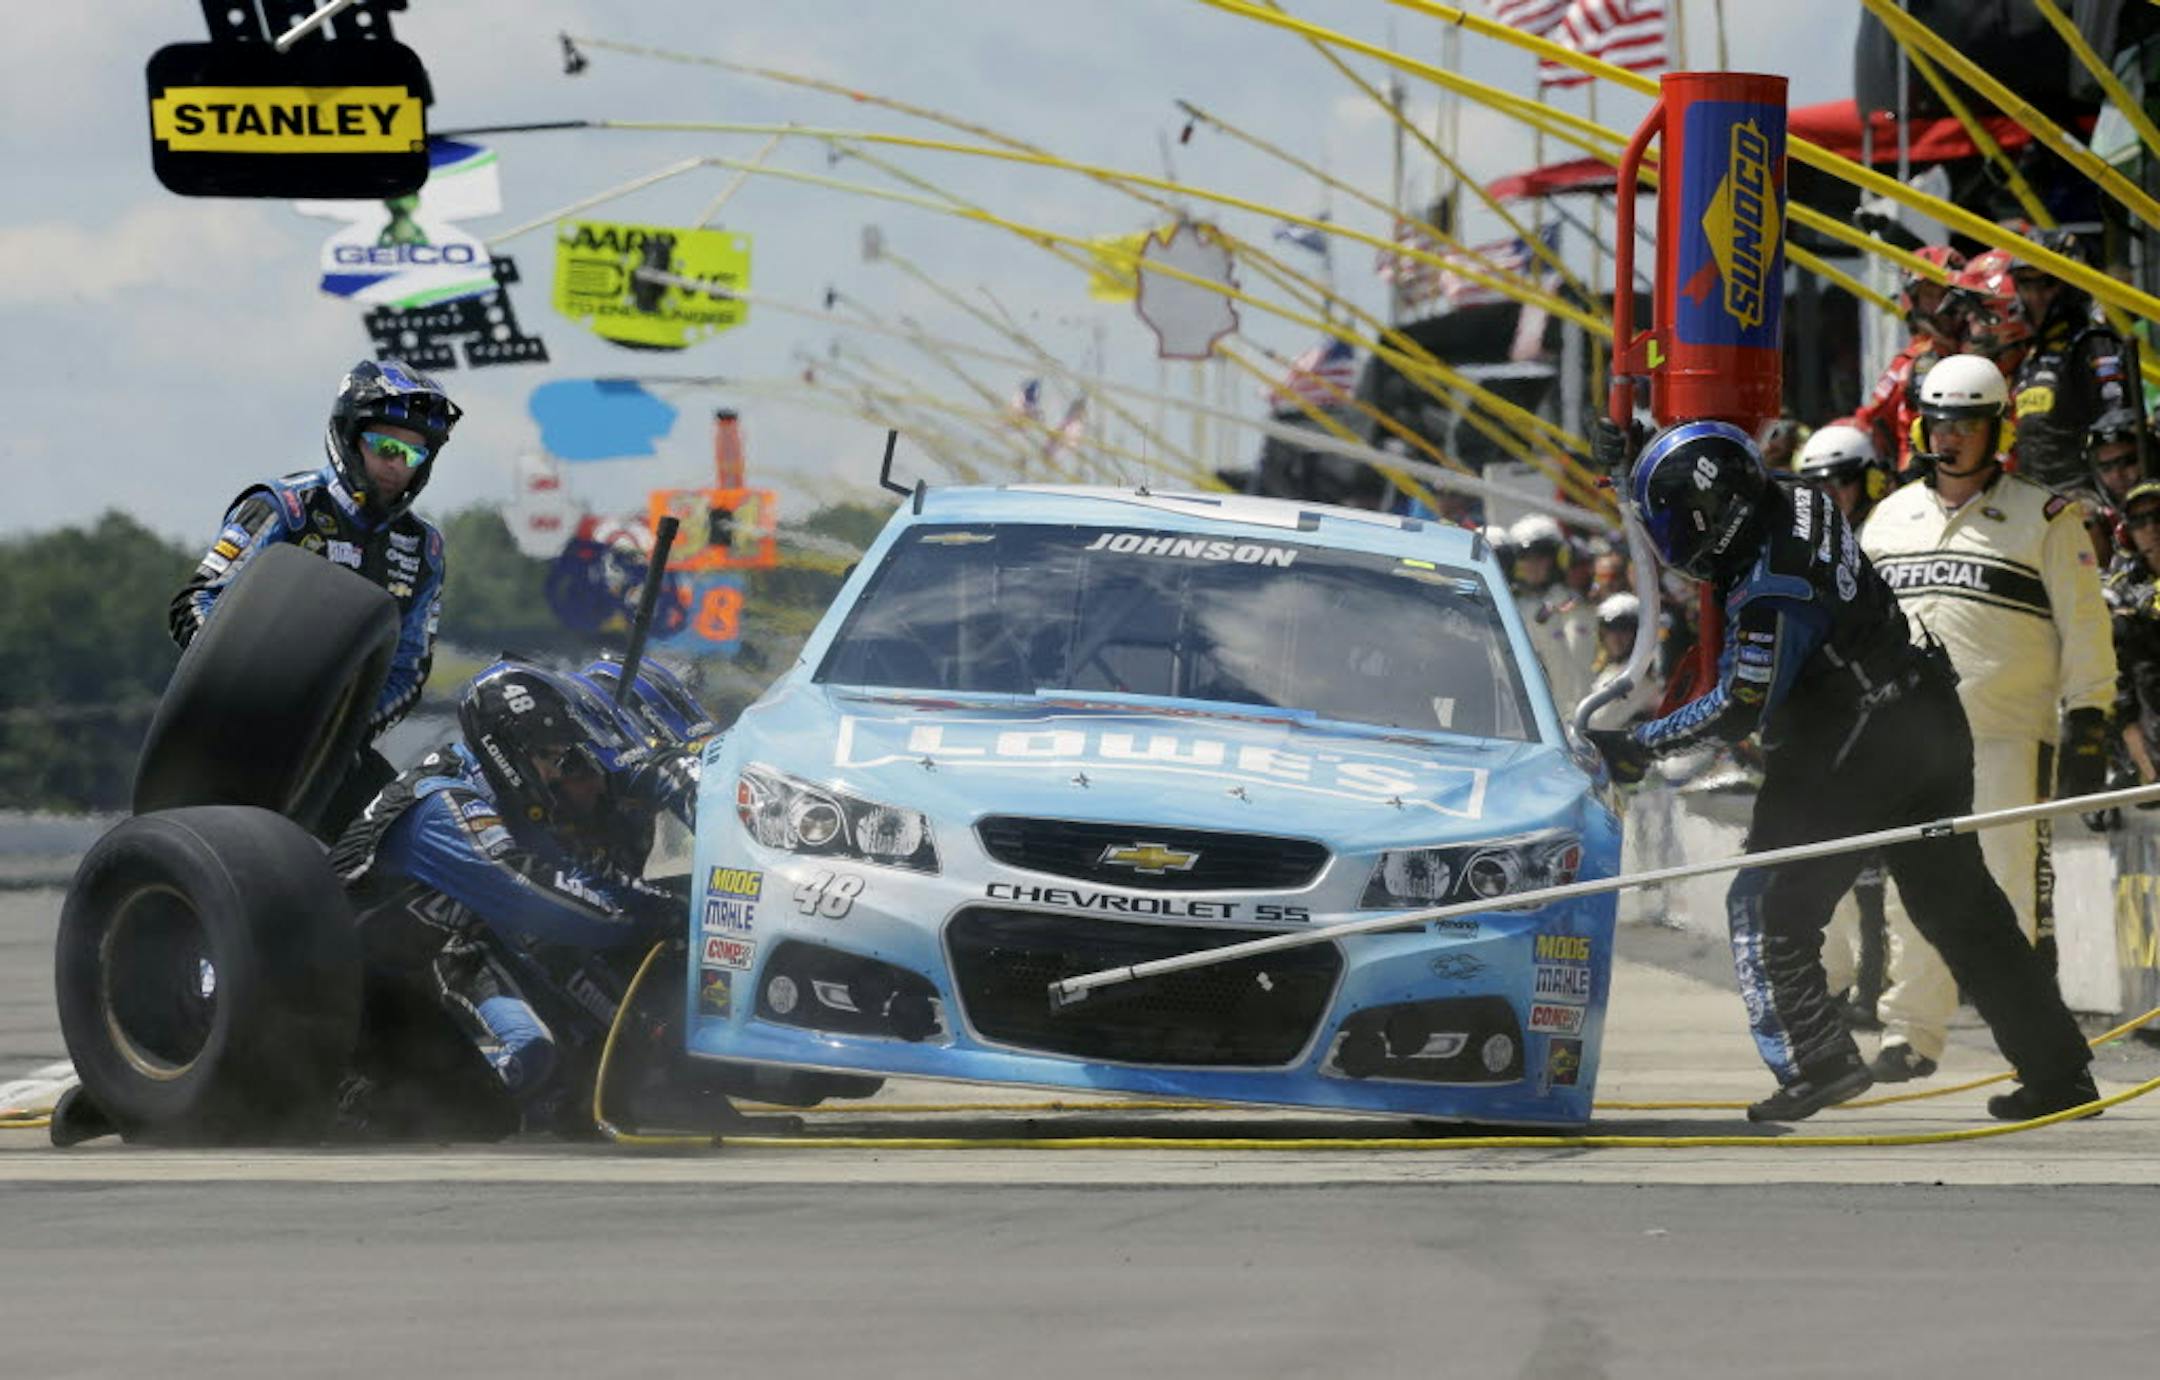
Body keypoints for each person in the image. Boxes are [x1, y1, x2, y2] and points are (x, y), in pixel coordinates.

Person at [1585, 418, 2097, 1122]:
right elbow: (1714, 483)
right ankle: (2060, 1071)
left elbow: (1737, 709)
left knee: (1765, 905)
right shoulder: (1799, 498)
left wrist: (1639, 744)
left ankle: (1817, 1061)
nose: (1676, 543)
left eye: (1682, 523)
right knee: (1961, 908)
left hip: (1855, 746)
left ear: (1721, 515)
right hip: (1927, 717)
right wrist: (1640, 459)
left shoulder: (1768, 587)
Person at [1858, 354, 2116, 1082]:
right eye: (1941, 423)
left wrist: (2090, 717)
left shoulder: (2044, 518)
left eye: (1969, 425)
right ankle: (1910, 1035)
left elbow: (2086, 624)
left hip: (2004, 734)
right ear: (1920, 427)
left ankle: (2031, 1057)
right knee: (1917, 891)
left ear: (1996, 430)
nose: (1953, 439)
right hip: (1909, 742)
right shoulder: (1889, 520)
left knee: (2002, 897)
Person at [330, 661, 697, 1131]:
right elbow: (534, 896)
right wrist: (644, 923)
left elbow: (574, 874)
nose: (553, 772)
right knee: (455, 1112)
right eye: (549, 757)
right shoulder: (444, 801)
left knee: (487, 1114)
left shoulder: (505, 807)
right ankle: (332, 1101)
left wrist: (668, 908)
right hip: (333, 988)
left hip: (399, 989)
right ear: (510, 750)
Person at [170, 359, 463, 835]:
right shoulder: (283, 507)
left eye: (413, 455)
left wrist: (343, 731)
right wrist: (260, 698)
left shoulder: (424, 547)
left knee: (412, 832)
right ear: (350, 438)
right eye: (385, 447)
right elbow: (195, 603)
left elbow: (408, 669)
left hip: (331, 749)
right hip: (230, 736)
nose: (396, 466)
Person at [2003, 229, 2133, 492]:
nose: (2036, 296)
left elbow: (2119, 429)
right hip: (2036, 502)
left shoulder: (2093, 342)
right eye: (2026, 284)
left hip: (2085, 501)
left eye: (2046, 284)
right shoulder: (2031, 353)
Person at [1853, 244, 1967, 472]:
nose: (1940, 304)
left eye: (1945, 293)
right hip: (1921, 476)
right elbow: (1867, 421)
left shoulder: (1991, 348)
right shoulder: (1908, 363)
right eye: (1929, 294)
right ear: (1913, 300)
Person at [1508, 512, 1598, 716]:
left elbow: (1580, 670)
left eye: (1541, 557)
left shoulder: (1576, 606)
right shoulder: (1513, 607)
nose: (1533, 565)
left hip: (1576, 715)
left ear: (1558, 559)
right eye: (1525, 558)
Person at [2107, 481, 2160, 789]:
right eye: (2140, 521)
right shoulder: (2121, 593)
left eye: (2158, 516)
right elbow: (2121, 694)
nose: (2151, 528)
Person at [1583, 592, 1662, 731]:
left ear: (1639, 634)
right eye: (1610, 630)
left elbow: (1597, 723)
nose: (1616, 638)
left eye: (1624, 629)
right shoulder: (1610, 670)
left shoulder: (1642, 675)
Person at [1793, 421, 1893, 527]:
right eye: (1815, 484)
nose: (1828, 493)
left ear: (1870, 479)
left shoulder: (1895, 531)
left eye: (1838, 481)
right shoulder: (1807, 538)